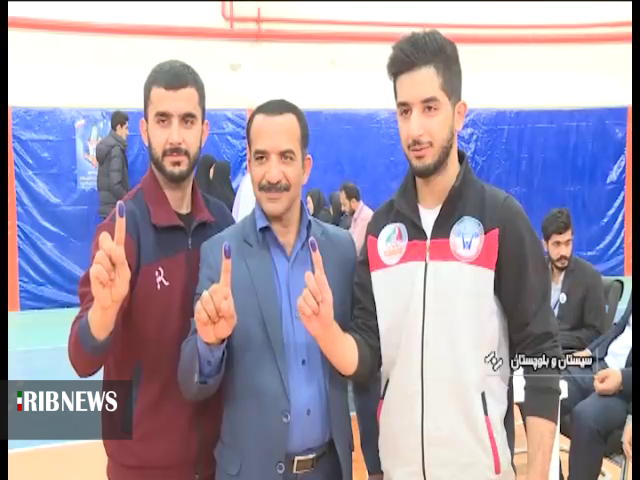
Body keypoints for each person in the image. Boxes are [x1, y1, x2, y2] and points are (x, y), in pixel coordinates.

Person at [294, 30, 562, 479]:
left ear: (459, 113)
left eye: (430, 108)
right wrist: (327, 333)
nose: (415, 129)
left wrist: (536, 472)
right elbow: (368, 354)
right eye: (405, 111)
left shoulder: (501, 220)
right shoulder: (382, 232)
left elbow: (541, 351)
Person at [67, 60, 234, 480]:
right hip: (141, 469)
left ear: (204, 131)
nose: (175, 136)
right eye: (163, 120)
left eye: (187, 121)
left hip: (217, 464)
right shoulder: (122, 231)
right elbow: (82, 358)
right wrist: (104, 312)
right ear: (144, 130)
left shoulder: (223, 225)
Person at [178, 99, 360, 480]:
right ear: (249, 162)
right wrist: (209, 345)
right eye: (261, 158)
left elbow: (361, 361)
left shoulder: (341, 251)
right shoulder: (220, 254)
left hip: (329, 470)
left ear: (305, 167)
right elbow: (192, 384)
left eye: (286, 158)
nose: (272, 174)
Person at [559, 297, 632, 479]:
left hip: (627, 389)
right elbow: (621, 326)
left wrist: (623, 378)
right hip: (602, 365)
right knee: (542, 388)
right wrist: (589, 351)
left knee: (586, 417)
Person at [542, 207, 605, 353]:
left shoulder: (590, 277)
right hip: (535, 352)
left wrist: (553, 339)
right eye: (557, 244)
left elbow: (596, 333)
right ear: (545, 245)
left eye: (567, 243)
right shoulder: (535, 273)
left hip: (570, 355)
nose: (563, 252)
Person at [97, 110, 130, 220]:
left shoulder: (107, 146)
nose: (128, 133)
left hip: (107, 208)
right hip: (114, 209)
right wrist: (128, 199)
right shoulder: (116, 149)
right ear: (119, 128)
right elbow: (115, 184)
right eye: (126, 128)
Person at [340, 182, 373, 254]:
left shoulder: (365, 217)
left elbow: (355, 248)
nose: (342, 209)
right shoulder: (355, 215)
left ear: (353, 202)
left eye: (344, 204)